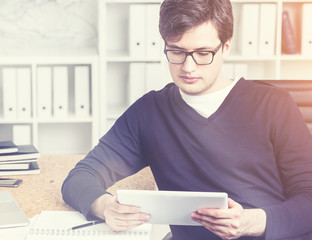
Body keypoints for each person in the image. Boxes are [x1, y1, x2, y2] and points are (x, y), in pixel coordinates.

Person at [62, 0, 312, 239]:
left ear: (225, 47)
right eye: (177, 52)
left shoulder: (274, 105)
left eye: (203, 53)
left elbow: (309, 200)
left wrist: (250, 222)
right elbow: (80, 177)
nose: (188, 67)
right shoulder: (149, 113)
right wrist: (104, 206)